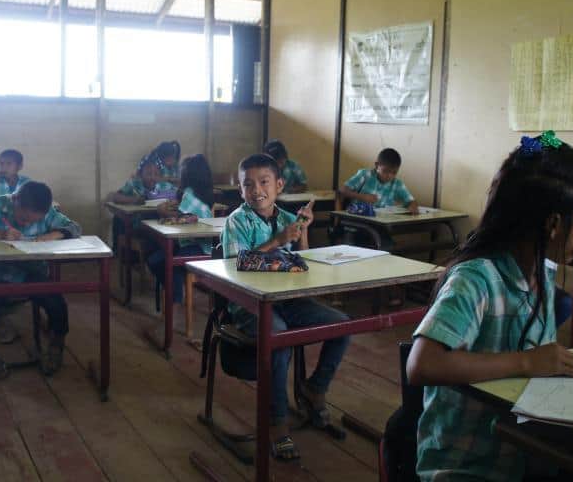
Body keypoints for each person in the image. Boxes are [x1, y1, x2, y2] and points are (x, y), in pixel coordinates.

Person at [405, 131, 573, 481]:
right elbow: (422, 364)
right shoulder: (477, 278)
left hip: (522, 453)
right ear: (554, 225)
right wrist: (527, 361)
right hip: (466, 466)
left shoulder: (542, 273)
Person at [221, 153, 350, 462]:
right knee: (277, 337)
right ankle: (276, 420)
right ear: (240, 190)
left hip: (289, 300)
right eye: (248, 184)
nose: (257, 190)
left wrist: (302, 230)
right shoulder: (236, 220)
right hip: (248, 304)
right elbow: (238, 266)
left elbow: (302, 263)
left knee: (342, 325)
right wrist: (278, 240)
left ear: (279, 185)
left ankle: (314, 388)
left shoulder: (287, 218)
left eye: (264, 182)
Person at [0, 181, 82, 379]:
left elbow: (74, 227)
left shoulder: (47, 211)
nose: (26, 224)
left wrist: (53, 235)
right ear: (14, 200)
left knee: (55, 300)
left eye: (33, 221)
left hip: (32, 272)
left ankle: (56, 344)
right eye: (23, 218)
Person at [147, 154, 215, 306]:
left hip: (198, 246)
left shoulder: (189, 193)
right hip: (200, 244)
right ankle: (173, 290)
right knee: (156, 260)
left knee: (168, 263)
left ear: (188, 174)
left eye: (182, 170)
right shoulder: (204, 192)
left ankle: (175, 298)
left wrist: (161, 211)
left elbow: (180, 219)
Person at [339, 147, 417, 213]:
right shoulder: (365, 175)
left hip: (381, 222)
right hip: (358, 219)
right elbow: (342, 190)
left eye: (394, 172)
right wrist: (362, 197)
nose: (389, 176)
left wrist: (412, 207)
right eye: (385, 171)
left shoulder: (397, 184)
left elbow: (411, 201)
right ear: (377, 165)